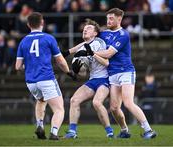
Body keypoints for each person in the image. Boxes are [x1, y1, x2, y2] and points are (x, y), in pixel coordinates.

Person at [86, 8, 157, 139]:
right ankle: (124, 130)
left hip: (126, 71)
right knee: (114, 107)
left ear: (119, 19)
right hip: (112, 73)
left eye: (111, 18)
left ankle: (148, 130)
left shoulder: (123, 34)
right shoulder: (104, 33)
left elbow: (108, 54)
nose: (108, 20)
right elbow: (90, 38)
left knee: (128, 103)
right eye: (107, 18)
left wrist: (90, 52)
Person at [15, 12, 75, 140]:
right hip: (46, 79)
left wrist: (29, 66)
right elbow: (60, 60)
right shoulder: (49, 38)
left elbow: (18, 66)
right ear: (42, 23)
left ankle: (40, 125)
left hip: (31, 82)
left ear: (28, 25)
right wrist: (68, 71)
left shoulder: (23, 41)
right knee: (59, 109)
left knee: (41, 101)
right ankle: (53, 133)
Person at [63, 19, 114, 138]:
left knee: (96, 102)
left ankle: (109, 132)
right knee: (74, 100)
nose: (85, 29)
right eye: (84, 28)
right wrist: (77, 71)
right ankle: (72, 132)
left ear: (95, 33)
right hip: (92, 80)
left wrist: (92, 54)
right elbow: (83, 75)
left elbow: (106, 63)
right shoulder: (83, 47)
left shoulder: (99, 42)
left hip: (104, 79)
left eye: (89, 28)